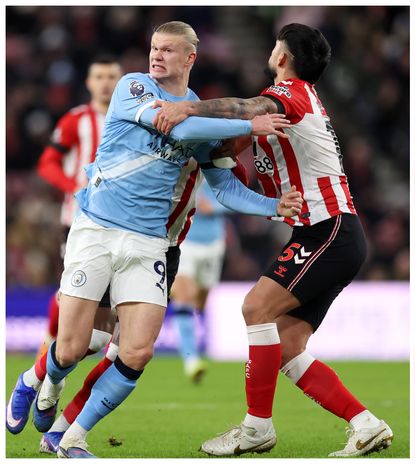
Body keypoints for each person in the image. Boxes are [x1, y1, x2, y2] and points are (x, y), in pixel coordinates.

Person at [7, 21, 303, 458]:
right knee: (71, 347)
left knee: (137, 351)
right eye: (154, 47)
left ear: (190, 58)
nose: (157, 55)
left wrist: (272, 206)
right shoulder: (134, 87)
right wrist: (248, 121)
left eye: (168, 50)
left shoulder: (199, 110)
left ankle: (71, 439)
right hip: (97, 230)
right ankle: (38, 380)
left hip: (150, 242)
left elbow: (220, 184)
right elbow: (177, 130)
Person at [152, 23, 392, 457]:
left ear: (283, 56)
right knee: (285, 346)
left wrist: (189, 111)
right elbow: (240, 159)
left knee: (255, 307)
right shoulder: (287, 111)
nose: (272, 48)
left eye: (276, 44)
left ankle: (256, 428)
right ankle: (366, 424)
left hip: (329, 229)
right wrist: (220, 152)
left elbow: (246, 107)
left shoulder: (292, 93)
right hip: (328, 232)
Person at [37, 152, 249, 454]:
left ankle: (62, 433)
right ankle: (37, 382)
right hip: (121, 240)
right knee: (91, 341)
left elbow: (238, 184)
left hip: (171, 249)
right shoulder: (148, 127)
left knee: (124, 354)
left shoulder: (209, 141)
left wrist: (269, 204)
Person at [34, 56, 122, 360]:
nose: (106, 83)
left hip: (122, 223)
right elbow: (47, 163)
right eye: (99, 77)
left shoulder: (132, 119)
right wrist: (74, 185)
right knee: (70, 288)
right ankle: (48, 345)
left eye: (112, 76)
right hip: (78, 220)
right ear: (88, 82)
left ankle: (74, 359)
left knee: (110, 300)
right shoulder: (76, 120)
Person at [170, 185, 231, 383]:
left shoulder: (222, 162)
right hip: (184, 240)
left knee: (200, 301)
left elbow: (238, 198)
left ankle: (198, 341)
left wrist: (213, 206)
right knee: (184, 295)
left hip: (213, 243)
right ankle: (191, 359)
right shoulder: (181, 162)